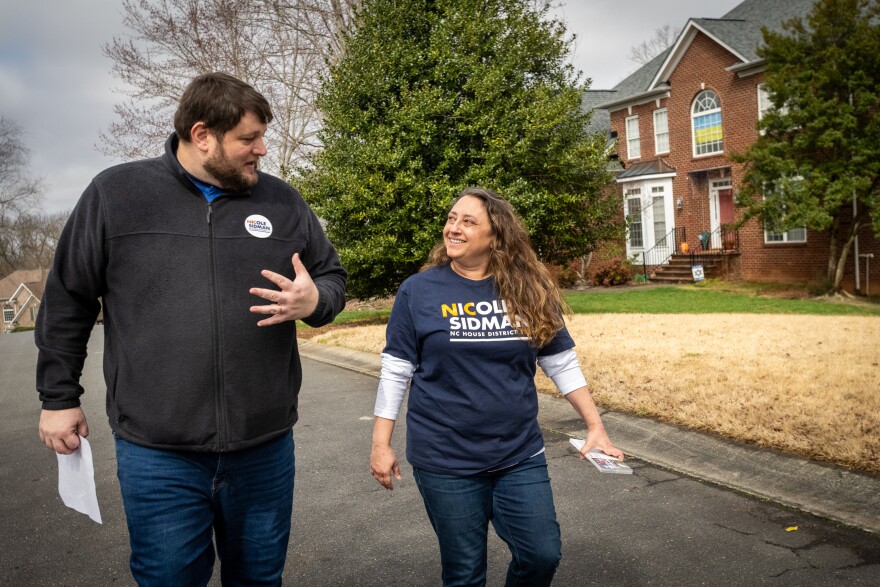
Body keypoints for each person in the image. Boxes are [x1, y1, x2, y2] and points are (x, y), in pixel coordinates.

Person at [36, 72, 347, 586]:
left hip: (263, 447)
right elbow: (67, 297)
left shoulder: (282, 202)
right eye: (249, 138)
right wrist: (57, 397)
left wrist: (317, 300)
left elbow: (331, 277)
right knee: (169, 579)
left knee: (260, 579)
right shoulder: (116, 195)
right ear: (202, 134)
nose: (262, 150)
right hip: (159, 453)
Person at [370, 187, 623, 587]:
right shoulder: (418, 291)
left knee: (541, 554)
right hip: (445, 459)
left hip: (518, 453)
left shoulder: (527, 289)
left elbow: (560, 362)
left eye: (468, 222)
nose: (453, 228)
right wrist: (380, 444)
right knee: (465, 572)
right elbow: (396, 369)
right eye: (452, 218)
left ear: (496, 237)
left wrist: (596, 426)